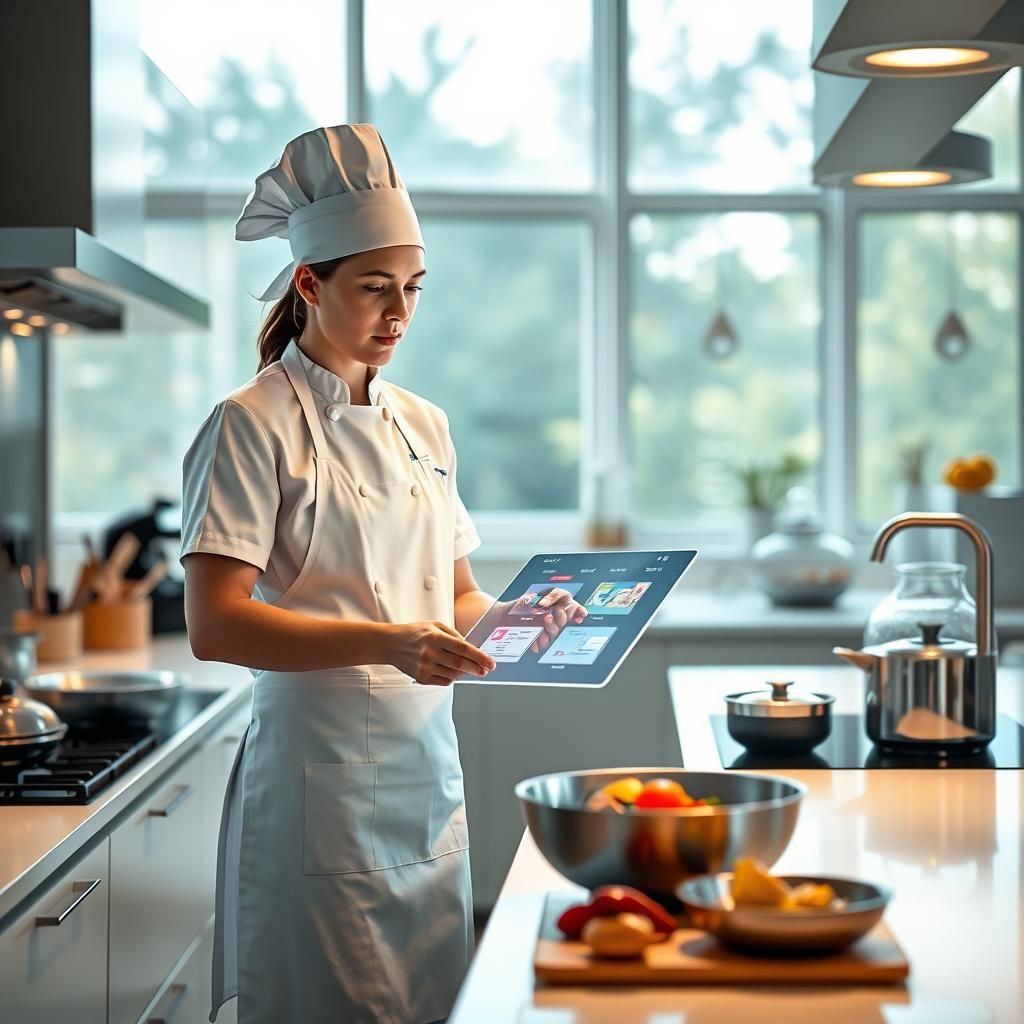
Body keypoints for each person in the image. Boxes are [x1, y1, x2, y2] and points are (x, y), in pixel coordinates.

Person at [178, 123, 587, 1024]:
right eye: (374, 289)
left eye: (412, 289)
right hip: (318, 786)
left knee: (433, 1003)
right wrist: (393, 643)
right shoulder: (249, 423)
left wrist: (525, 618)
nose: (398, 313)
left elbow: (458, 596)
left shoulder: (424, 424)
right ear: (309, 283)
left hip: (424, 779)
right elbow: (216, 624)